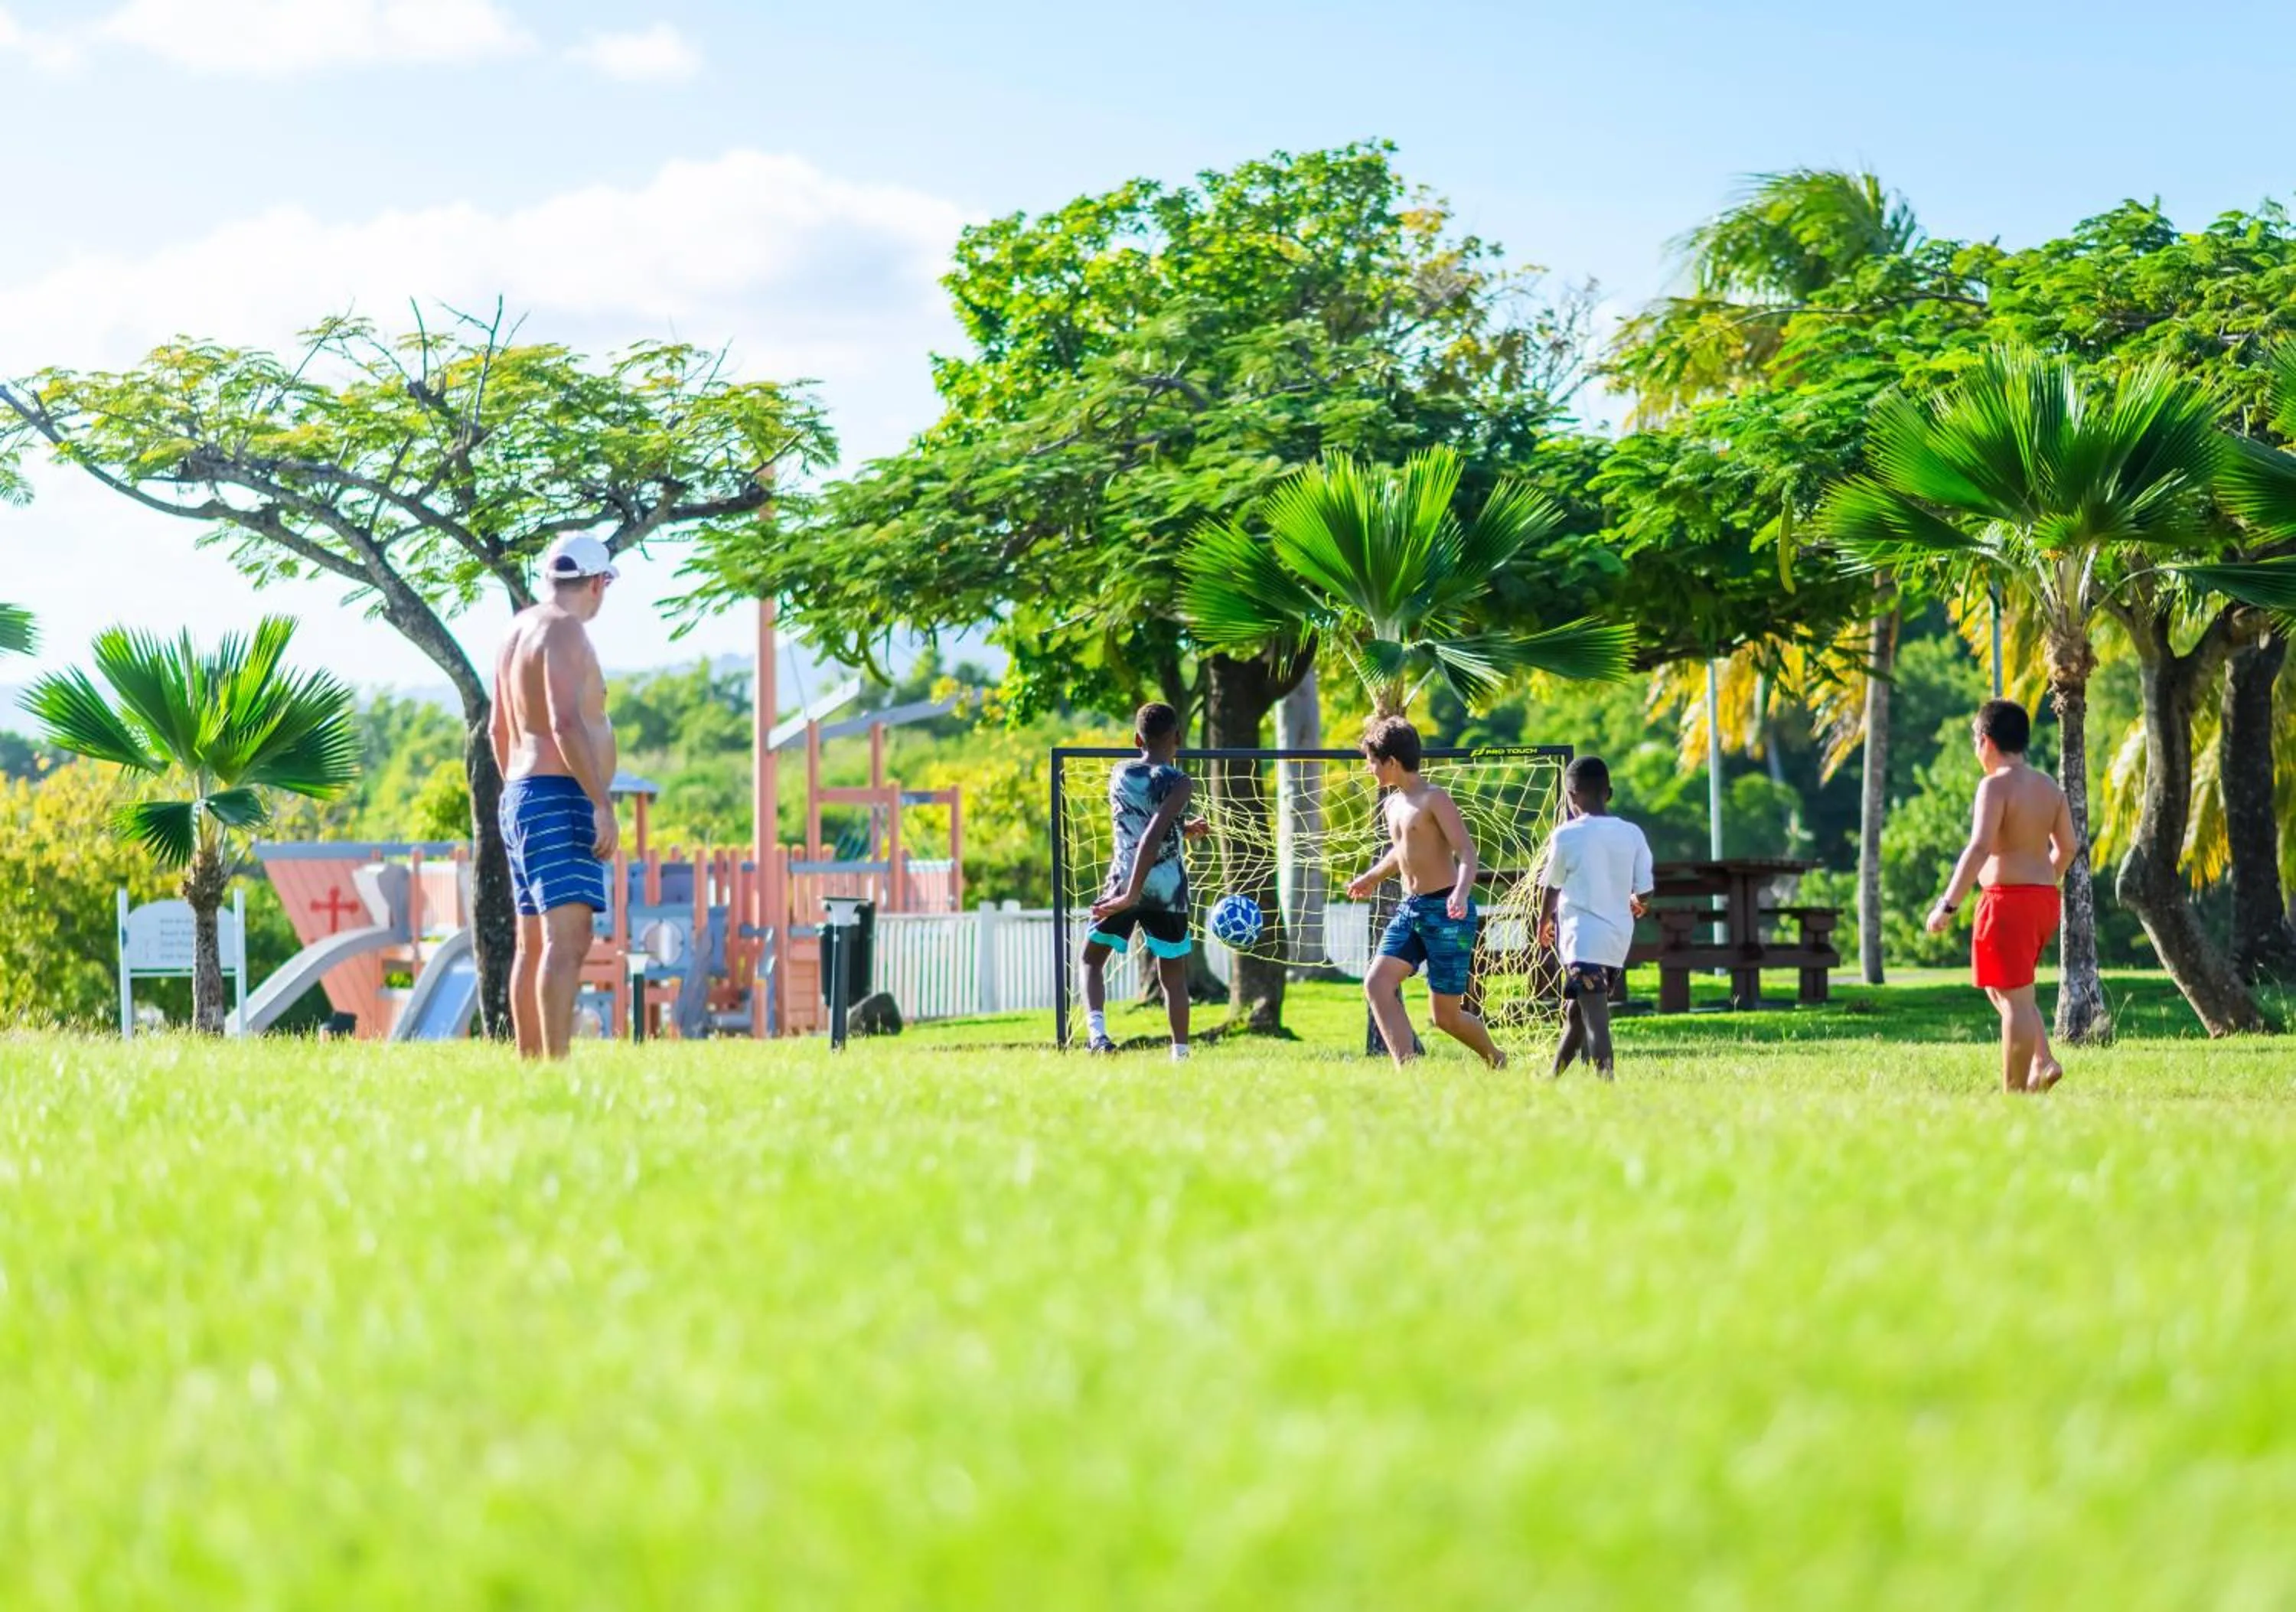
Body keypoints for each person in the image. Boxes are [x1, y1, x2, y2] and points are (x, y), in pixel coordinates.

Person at [490, 533, 620, 1059]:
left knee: (533, 946)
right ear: (597, 583)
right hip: (558, 794)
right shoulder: (566, 630)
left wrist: (516, 795)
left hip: (521, 793)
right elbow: (566, 724)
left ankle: (532, 1069)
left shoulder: (516, 630)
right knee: (568, 941)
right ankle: (556, 1070)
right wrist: (601, 803)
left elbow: (497, 729)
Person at [1926, 698, 2077, 1093]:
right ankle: (2042, 1062)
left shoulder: (1994, 786)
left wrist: (1947, 905)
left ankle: (2014, 1093)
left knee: (2012, 1001)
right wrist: (2042, 880)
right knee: (2009, 989)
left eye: (1975, 741)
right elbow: (2068, 848)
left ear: (1986, 741)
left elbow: (1979, 848)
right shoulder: (2050, 788)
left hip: (2007, 903)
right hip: (2043, 901)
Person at [1346, 716, 1507, 1069]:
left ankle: (1496, 1059)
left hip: (1447, 912)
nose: (1369, 769)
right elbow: (1401, 852)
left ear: (1391, 761)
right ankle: (1409, 1071)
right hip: (1411, 909)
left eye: (1372, 762)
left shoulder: (1435, 799)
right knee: (1377, 984)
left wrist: (1460, 894)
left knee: (1445, 1018)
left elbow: (1467, 853)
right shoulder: (1391, 804)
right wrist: (1371, 877)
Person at [1083, 702, 1208, 1059]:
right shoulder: (1180, 782)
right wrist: (1133, 895)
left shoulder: (1119, 772)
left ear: (1137, 739)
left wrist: (1183, 828)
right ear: (1177, 738)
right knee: (1173, 977)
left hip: (1124, 881)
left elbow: (1142, 824)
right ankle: (1180, 1055)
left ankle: (1098, 1038)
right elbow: (1152, 835)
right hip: (1167, 890)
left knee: (1091, 960)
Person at [1536, 756, 1654, 1080]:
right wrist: (1637, 901)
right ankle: (1552, 1078)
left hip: (1583, 940)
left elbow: (1552, 886)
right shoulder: (1632, 834)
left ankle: (1606, 1081)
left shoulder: (1566, 835)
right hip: (1617, 941)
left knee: (1596, 1020)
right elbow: (1645, 889)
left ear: (1570, 796)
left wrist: (1544, 921)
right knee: (1577, 1013)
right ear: (1609, 793)